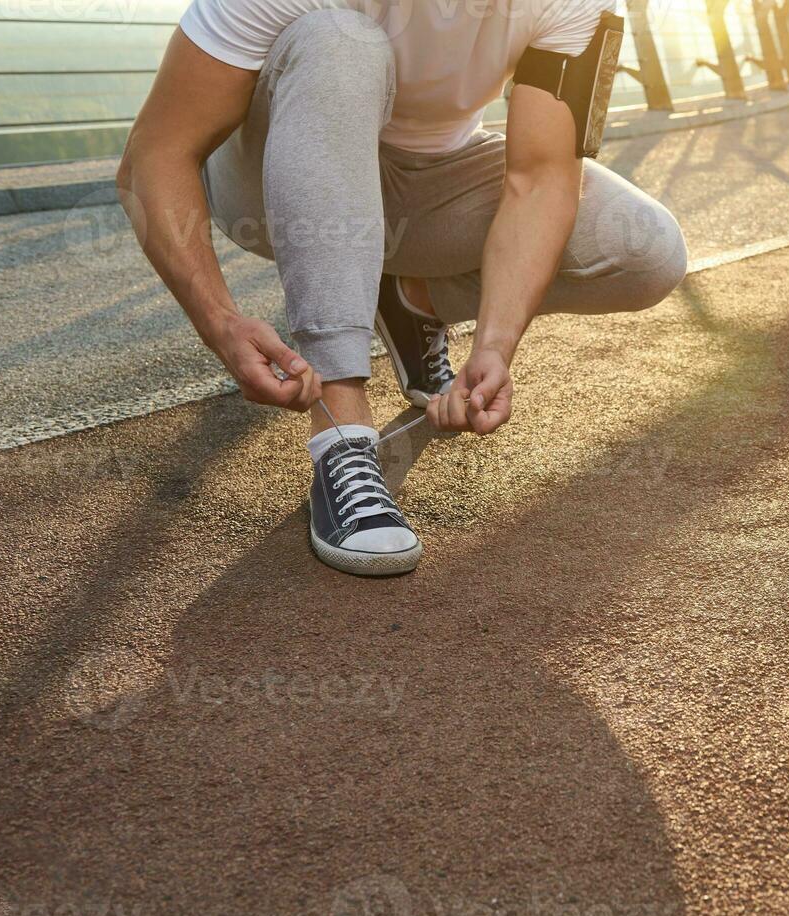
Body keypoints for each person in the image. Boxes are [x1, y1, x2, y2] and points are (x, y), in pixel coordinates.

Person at [117, 0, 688, 576]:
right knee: (341, 38)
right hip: (275, 176)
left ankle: (411, 299)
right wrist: (221, 321)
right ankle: (341, 436)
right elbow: (154, 154)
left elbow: (539, 177)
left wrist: (494, 343)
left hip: (428, 187)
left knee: (645, 250)